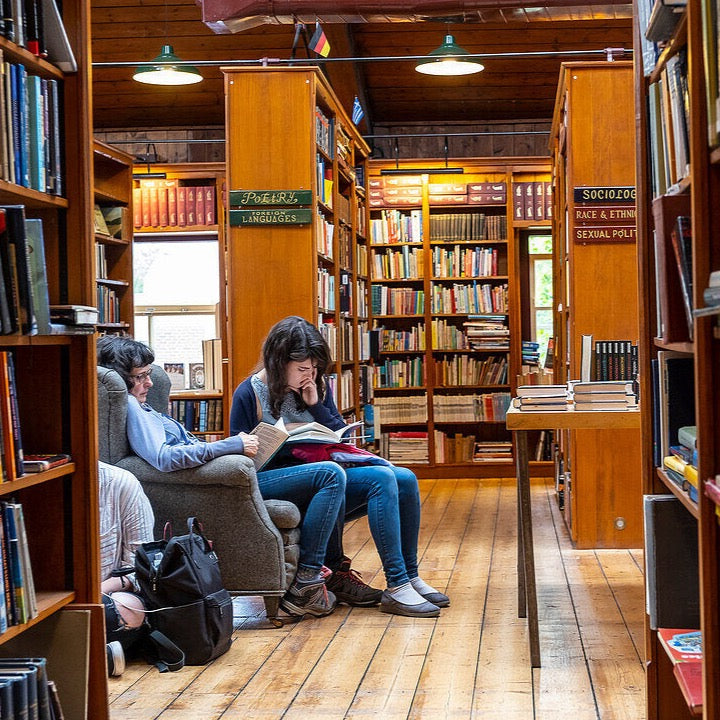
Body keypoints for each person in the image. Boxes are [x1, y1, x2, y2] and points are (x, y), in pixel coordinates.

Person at [97, 334, 345, 619]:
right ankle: (308, 580)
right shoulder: (130, 406)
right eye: (140, 377)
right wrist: (231, 445)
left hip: (226, 477)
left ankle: (321, 573)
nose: (149, 384)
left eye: (149, 374)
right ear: (119, 381)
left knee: (338, 477)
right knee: (329, 475)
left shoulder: (141, 406)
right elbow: (164, 457)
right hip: (211, 486)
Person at [230, 316, 450, 618]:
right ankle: (396, 584)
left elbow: (338, 436)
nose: (311, 375)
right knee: (377, 478)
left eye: (315, 368)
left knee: (403, 478)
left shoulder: (315, 386)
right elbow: (238, 463)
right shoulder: (249, 393)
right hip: (273, 478)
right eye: (303, 369)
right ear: (279, 361)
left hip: (323, 476)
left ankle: (409, 577)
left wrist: (316, 404)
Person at [99, 460, 155, 677]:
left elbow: (139, 567)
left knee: (127, 610)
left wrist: (97, 591)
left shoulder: (120, 482)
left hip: (110, 593)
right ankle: (99, 656)